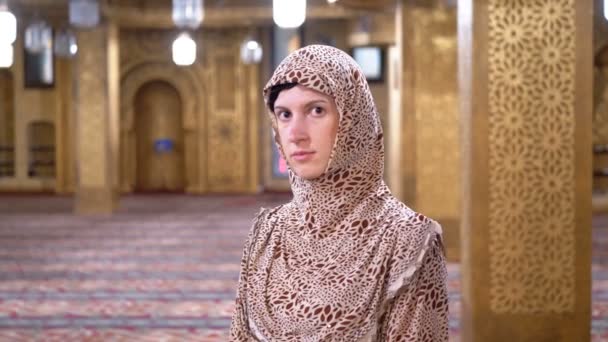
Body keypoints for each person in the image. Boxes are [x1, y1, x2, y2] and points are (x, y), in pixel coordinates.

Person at [229, 45, 448, 341]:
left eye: (316, 110)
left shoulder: (408, 240)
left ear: (352, 120)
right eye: (284, 114)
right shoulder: (267, 231)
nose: (295, 133)